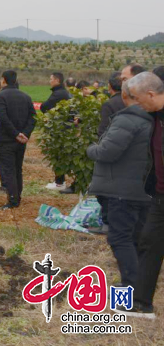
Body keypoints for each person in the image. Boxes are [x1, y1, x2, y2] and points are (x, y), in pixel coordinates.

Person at [87, 78, 154, 291]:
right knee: (135, 238)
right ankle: (138, 285)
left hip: (121, 191)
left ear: (126, 96)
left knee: (120, 238)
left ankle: (132, 286)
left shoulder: (127, 120)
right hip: (140, 189)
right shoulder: (151, 120)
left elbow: (107, 151)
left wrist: (91, 149)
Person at [117, 71, 164, 319]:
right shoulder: (153, 117)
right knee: (149, 242)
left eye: (137, 99)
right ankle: (140, 303)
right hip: (158, 193)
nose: (135, 104)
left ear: (150, 94)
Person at [90, 71, 126, 235]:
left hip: (111, 150)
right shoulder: (132, 102)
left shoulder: (110, 104)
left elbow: (103, 131)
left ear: (109, 86)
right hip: (128, 152)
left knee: (104, 189)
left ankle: (107, 223)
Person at [0, 70, 36, 210]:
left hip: (7, 140)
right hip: (21, 141)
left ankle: (13, 200)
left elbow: (3, 118)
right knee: (18, 169)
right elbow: (32, 117)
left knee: (9, 170)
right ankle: (17, 196)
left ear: (4, 80)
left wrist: (15, 134)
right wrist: (25, 133)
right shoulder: (26, 97)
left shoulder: (1, 96)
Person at [41, 72, 71, 191]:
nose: (50, 81)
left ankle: (59, 182)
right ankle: (59, 181)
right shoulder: (62, 92)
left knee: (59, 155)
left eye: (51, 79)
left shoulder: (59, 94)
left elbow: (44, 106)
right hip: (62, 128)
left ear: (57, 80)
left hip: (60, 129)